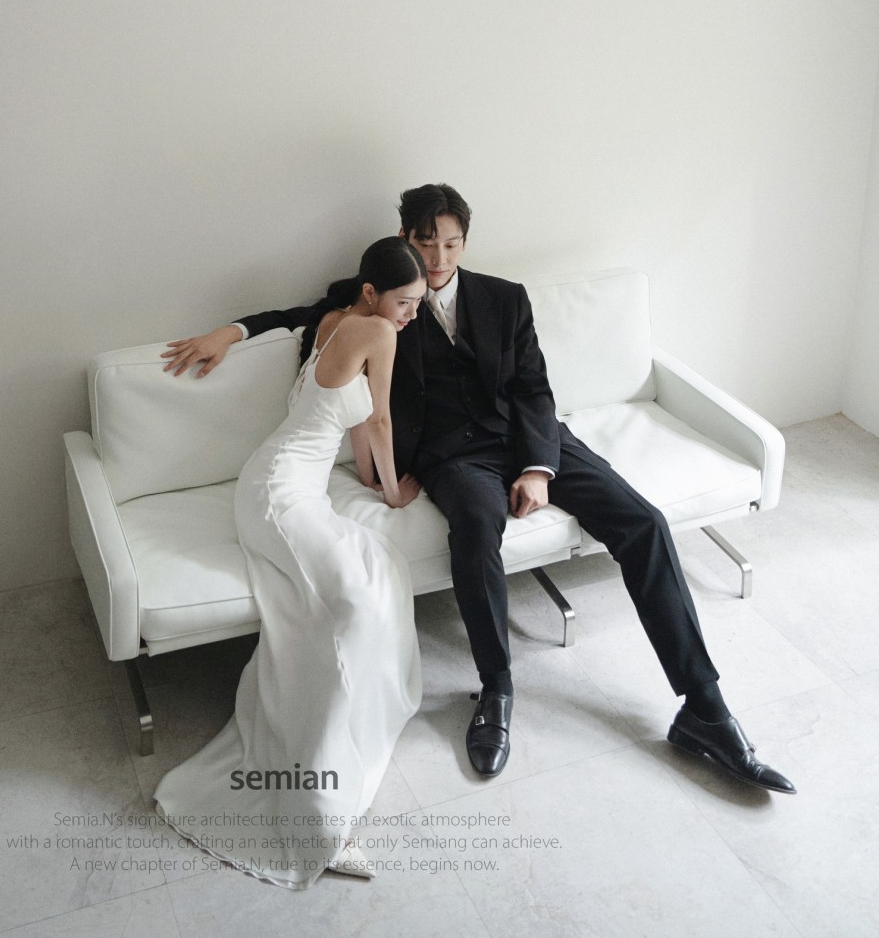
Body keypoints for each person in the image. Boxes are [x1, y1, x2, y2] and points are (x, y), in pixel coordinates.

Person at [162, 183, 796, 796]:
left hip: (529, 441)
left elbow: (534, 389)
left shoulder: (505, 298)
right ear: (404, 238)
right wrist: (230, 332)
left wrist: (538, 468)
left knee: (644, 522)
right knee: (474, 529)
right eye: (425, 243)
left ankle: (705, 708)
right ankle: (496, 689)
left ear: (465, 242)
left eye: (451, 244)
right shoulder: (385, 299)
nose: (438, 258)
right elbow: (301, 317)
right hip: (452, 456)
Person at [153, 237, 427, 889]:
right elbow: (379, 422)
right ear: (372, 295)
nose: (412, 314)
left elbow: (352, 421)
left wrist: (368, 482)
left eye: (418, 303)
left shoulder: (335, 319)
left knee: (371, 583)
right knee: (351, 609)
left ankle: (331, 752)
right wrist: (392, 493)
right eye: (405, 302)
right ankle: (321, 812)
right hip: (282, 496)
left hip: (278, 483)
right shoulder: (376, 331)